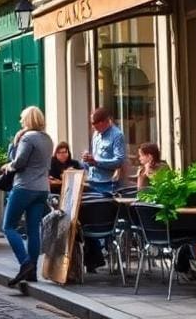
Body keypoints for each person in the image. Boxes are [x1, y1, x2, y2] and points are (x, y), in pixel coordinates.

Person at [1, 106, 54, 287]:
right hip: (42, 189)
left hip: (25, 187)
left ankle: (25, 263)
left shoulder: (27, 137)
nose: (21, 121)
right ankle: (32, 272)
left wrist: (8, 164)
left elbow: (19, 162)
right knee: (33, 230)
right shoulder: (48, 139)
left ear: (28, 120)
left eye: (22, 118)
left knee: (8, 226)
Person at [81, 107, 126, 272]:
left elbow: (119, 161)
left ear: (105, 122)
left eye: (95, 124)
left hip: (107, 185)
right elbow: (94, 160)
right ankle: (94, 259)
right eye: (92, 124)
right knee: (85, 221)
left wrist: (97, 161)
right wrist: (87, 160)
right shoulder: (96, 135)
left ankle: (98, 257)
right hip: (93, 182)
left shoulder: (117, 135)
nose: (93, 127)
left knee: (99, 221)